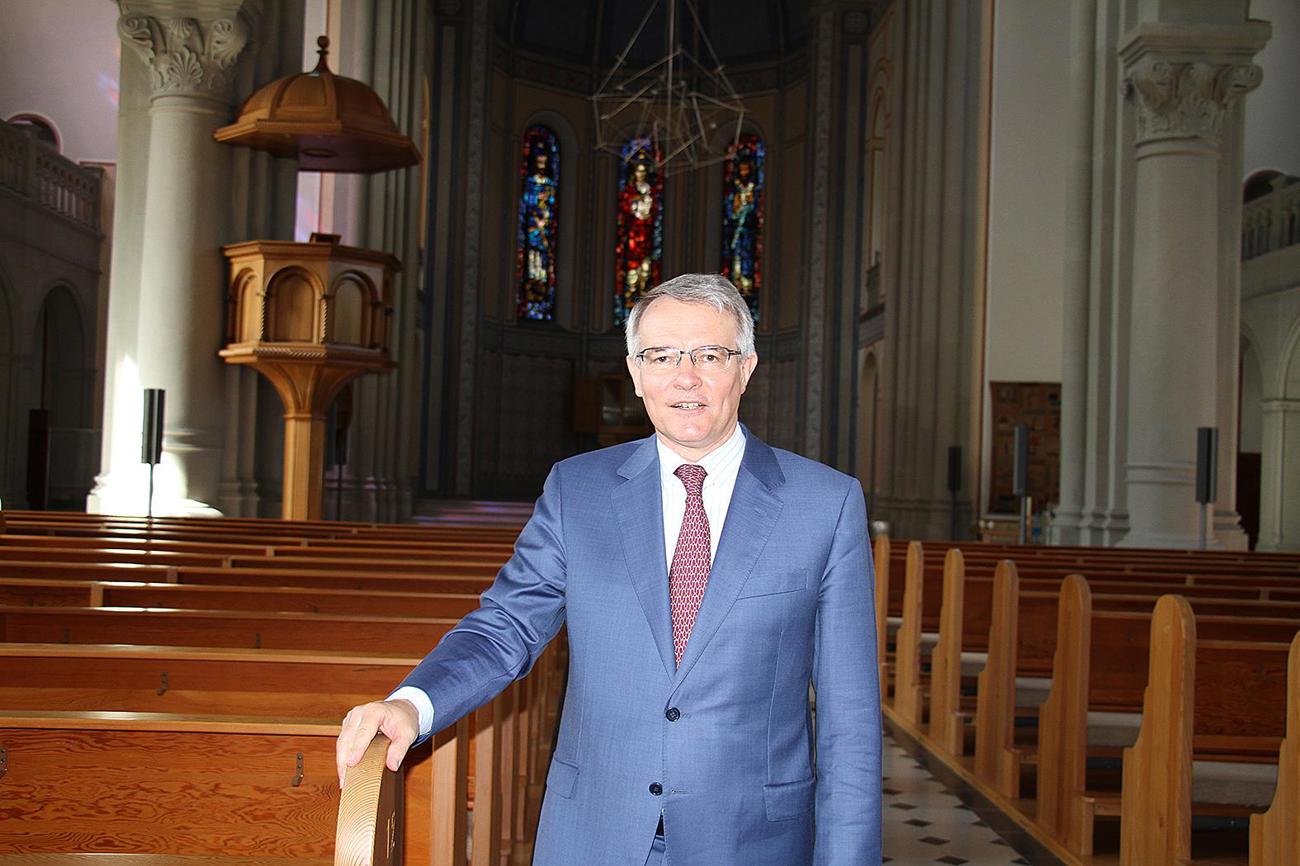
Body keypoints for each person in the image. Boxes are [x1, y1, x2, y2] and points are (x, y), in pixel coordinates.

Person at [337, 273, 882, 865]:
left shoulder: (824, 504)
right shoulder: (577, 490)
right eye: (662, 356)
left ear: (746, 368)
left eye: (710, 355)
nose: (686, 377)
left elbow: (849, 719)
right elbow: (504, 628)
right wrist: (411, 705)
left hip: (752, 839)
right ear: (635, 372)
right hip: (595, 832)